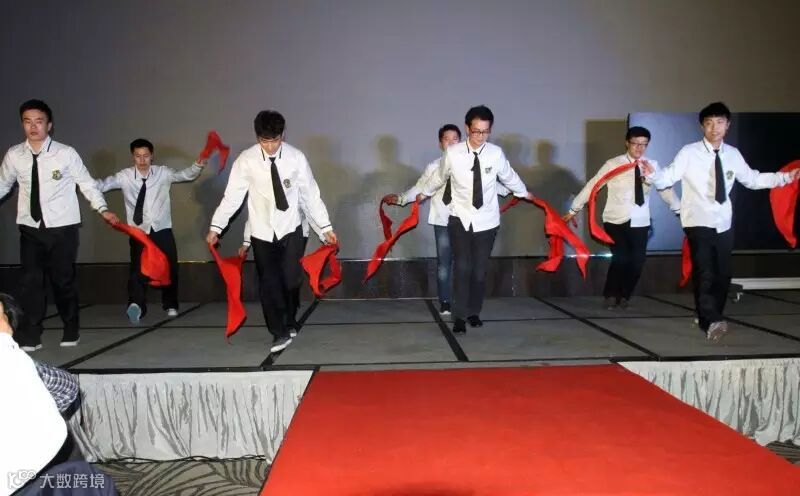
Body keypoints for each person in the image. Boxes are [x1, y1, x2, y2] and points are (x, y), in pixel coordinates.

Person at [649, 102, 800, 341]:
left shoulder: (732, 154)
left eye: (720, 122)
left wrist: (785, 178)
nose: (714, 128)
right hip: (697, 219)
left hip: (723, 221)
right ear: (702, 126)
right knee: (704, 270)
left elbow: (753, 179)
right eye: (709, 123)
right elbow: (667, 177)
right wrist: (653, 173)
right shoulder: (689, 152)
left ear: (727, 125)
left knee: (723, 273)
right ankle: (711, 320)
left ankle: (711, 315)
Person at [207, 110, 336, 353]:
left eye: (275, 140)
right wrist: (216, 227)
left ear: (283, 134)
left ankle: (289, 318)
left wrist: (325, 228)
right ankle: (278, 332)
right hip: (262, 230)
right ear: (257, 138)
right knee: (268, 283)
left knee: (291, 279)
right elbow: (232, 197)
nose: (270, 147)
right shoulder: (246, 161)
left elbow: (310, 195)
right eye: (264, 141)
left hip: (291, 227)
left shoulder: (296, 158)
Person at [0, 100, 120, 351]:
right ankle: (32, 334)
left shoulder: (65, 153)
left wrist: (102, 208)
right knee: (31, 282)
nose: (33, 127)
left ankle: (71, 327)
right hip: (30, 227)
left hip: (62, 228)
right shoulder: (14, 155)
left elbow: (86, 184)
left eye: (39, 121)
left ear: (49, 125)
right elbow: (3, 185)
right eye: (27, 122)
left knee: (62, 281)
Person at [420, 105, 535, 334]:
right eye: (476, 131)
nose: (481, 136)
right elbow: (439, 177)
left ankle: (473, 312)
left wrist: (523, 192)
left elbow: (508, 176)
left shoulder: (495, 153)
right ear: (467, 128)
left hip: (487, 221)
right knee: (462, 268)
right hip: (459, 219)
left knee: (479, 271)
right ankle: (459, 316)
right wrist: (424, 192)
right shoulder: (453, 153)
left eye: (485, 131)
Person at [563, 126, 680, 310]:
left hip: (640, 220)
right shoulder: (613, 164)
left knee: (638, 261)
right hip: (615, 219)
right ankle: (611, 295)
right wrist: (574, 208)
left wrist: (678, 209)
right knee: (621, 257)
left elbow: (664, 188)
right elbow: (594, 184)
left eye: (644, 144)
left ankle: (624, 294)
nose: (639, 148)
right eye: (635, 143)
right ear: (627, 143)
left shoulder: (651, 165)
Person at [96, 139, 206, 323]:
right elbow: (102, 185)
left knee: (170, 266)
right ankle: (136, 305)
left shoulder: (163, 173)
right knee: (137, 269)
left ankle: (170, 304)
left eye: (145, 156)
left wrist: (197, 165)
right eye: (138, 156)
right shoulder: (125, 176)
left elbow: (184, 175)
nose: (142, 160)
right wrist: (79, 182)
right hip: (138, 231)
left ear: (152, 156)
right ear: (133, 157)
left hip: (162, 229)